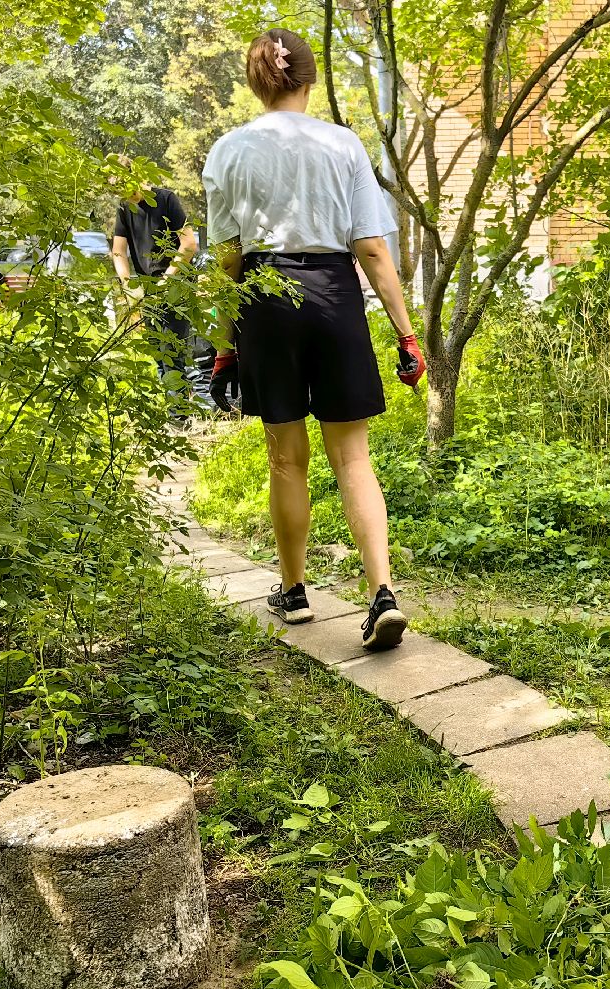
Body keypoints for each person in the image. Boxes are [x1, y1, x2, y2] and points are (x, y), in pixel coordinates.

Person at [201, 28, 423, 651]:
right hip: (333, 293)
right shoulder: (343, 144)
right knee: (354, 458)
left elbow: (227, 260)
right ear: (309, 79)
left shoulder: (227, 151)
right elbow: (373, 251)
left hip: (264, 298)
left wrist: (224, 346)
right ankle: (382, 592)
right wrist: (407, 337)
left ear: (255, 82)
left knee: (285, 457)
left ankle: (294, 592)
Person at [110, 172, 203, 404]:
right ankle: (177, 410)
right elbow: (119, 250)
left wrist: (167, 280)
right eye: (117, 190)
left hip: (176, 284)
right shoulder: (124, 208)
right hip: (147, 289)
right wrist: (128, 284)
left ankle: (179, 418)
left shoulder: (166, 199)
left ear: (137, 175)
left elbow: (189, 244)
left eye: (126, 186)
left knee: (171, 354)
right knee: (158, 354)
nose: (125, 194)